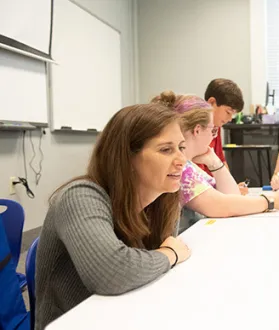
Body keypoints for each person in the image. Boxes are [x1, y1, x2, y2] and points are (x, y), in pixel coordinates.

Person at [35, 104, 192, 330]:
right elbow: (113, 273)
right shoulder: (80, 197)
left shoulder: (162, 200)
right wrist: (170, 254)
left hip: (129, 314)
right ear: (126, 157)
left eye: (181, 147)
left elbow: (153, 273)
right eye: (166, 150)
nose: (182, 160)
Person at [152, 91, 279, 230]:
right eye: (212, 130)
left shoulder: (189, 166)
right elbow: (221, 206)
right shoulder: (181, 168)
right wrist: (272, 201)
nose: (214, 137)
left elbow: (232, 196)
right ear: (197, 130)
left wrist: (214, 162)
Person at [197, 78, 249, 195]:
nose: (230, 118)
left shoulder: (217, 126)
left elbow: (221, 161)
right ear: (211, 103)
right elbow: (195, 176)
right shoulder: (196, 129)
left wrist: (231, 185)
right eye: (228, 112)